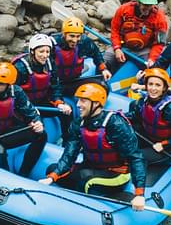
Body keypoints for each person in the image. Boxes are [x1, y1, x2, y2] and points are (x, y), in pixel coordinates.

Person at [38, 83, 146, 211]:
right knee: (51, 169)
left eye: (83, 101)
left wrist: (139, 193)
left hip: (116, 173)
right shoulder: (79, 123)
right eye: (78, 100)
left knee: (87, 183)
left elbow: (136, 157)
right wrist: (53, 177)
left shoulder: (115, 123)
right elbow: (69, 154)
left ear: (96, 104)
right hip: (92, 167)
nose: (78, 104)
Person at [126, 68, 171, 165]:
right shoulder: (144, 101)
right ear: (146, 86)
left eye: (158, 85)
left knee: (132, 158)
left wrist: (164, 144)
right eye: (150, 84)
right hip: (149, 137)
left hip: (168, 149)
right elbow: (135, 116)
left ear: (164, 88)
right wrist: (119, 117)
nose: (153, 89)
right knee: (121, 145)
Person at [14, 33, 73, 138]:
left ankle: (67, 140)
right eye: (41, 51)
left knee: (67, 112)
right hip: (24, 107)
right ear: (32, 51)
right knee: (38, 130)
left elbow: (55, 86)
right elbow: (12, 94)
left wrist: (59, 102)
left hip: (41, 103)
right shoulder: (20, 67)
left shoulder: (49, 63)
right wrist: (29, 111)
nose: (45, 55)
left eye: (47, 51)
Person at [106, 0, 169, 73]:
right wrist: (117, 48)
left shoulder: (160, 18)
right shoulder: (123, 10)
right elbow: (115, 30)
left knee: (151, 69)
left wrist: (152, 59)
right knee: (107, 58)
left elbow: (159, 43)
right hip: (123, 46)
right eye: (145, 5)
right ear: (138, 2)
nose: (147, 8)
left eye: (150, 5)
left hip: (144, 50)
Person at [51, 16, 109, 91]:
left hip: (75, 79)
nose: (75, 40)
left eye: (78, 36)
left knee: (102, 85)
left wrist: (103, 69)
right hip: (57, 82)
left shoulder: (84, 42)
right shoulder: (53, 44)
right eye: (71, 36)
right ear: (64, 34)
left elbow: (96, 53)